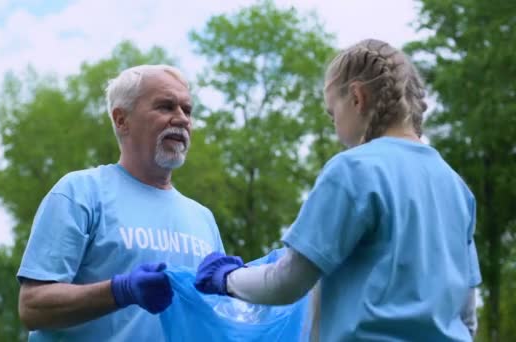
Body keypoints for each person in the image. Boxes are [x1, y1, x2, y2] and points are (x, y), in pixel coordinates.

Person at [195, 39, 481, 341]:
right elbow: (466, 316)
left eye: (333, 114)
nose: (334, 127)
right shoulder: (456, 186)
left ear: (357, 97)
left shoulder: (353, 170)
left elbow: (287, 282)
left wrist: (226, 278)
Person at [17, 64, 225, 341]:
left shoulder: (203, 218)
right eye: (166, 107)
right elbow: (33, 306)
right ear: (121, 120)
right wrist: (120, 291)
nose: (182, 119)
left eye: (187, 110)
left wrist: (239, 285)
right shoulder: (80, 193)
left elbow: (220, 319)